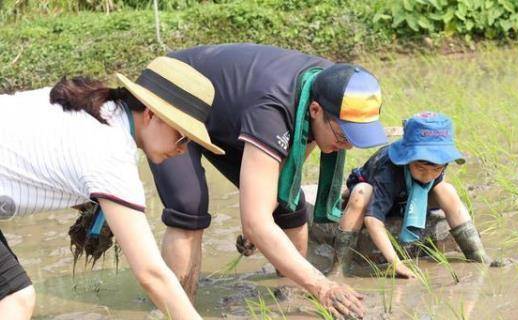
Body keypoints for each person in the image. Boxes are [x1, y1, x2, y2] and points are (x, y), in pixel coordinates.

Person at [147, 43, 388, 318]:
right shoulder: (274, 110)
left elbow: (288, 172)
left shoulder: (330, 84)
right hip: (175, 92)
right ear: (315, 110)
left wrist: (263, 216)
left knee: (289, 204)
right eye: (344, 136)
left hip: (230, 112)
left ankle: (291, 301)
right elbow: (255, 222)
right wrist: (322, 285)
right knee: (188, 206)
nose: (347, 147)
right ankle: (178, 310)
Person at [0, 56, 219, 319]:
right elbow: (151, 274)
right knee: (15, 299)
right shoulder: (112, 153)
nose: (183, 150)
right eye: (182, 137)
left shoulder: (98, 107)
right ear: (151, 114)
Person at [330, 112, 491, 279]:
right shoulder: (388, 171)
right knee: (360, 193)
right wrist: (395, 263)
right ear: (407, 159)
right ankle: (339, 268)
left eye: (436, 169)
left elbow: (441, 188)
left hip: (408, 198)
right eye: (421, 168)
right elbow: (372, 220)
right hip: (378, 194)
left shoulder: (437, 167)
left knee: (447, 190)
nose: (428, 176)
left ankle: (476, 254)